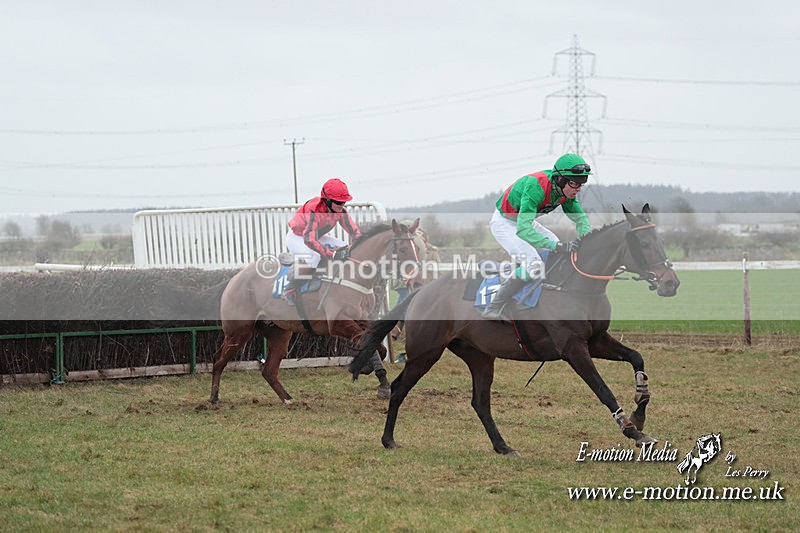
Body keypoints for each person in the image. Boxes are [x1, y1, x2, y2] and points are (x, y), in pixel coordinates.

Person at [481, 153, 592, 320]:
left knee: (558, 252)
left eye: (582, 183)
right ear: (560, 179)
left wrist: (586, 242)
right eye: (575, 183)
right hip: (505, 223)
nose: (578, 189)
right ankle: (494, 307)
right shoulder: (536, 186)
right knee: (534, 264)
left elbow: (581, 219)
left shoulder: (566, 192)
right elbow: (523, 229)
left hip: (524, 221)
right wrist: (556, 246)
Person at [283, 178, 361, 303]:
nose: (342, 206)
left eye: (344, 202)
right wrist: (332, 254)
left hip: (316, 236)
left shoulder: (341, 211)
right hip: (297, 237)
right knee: (315, 257)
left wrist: (357, 246)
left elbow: (355, 233)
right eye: (338, 202)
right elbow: (309, 239)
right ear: (327, 200)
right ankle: (290, 288)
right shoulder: (314, 210)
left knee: (345, 248)